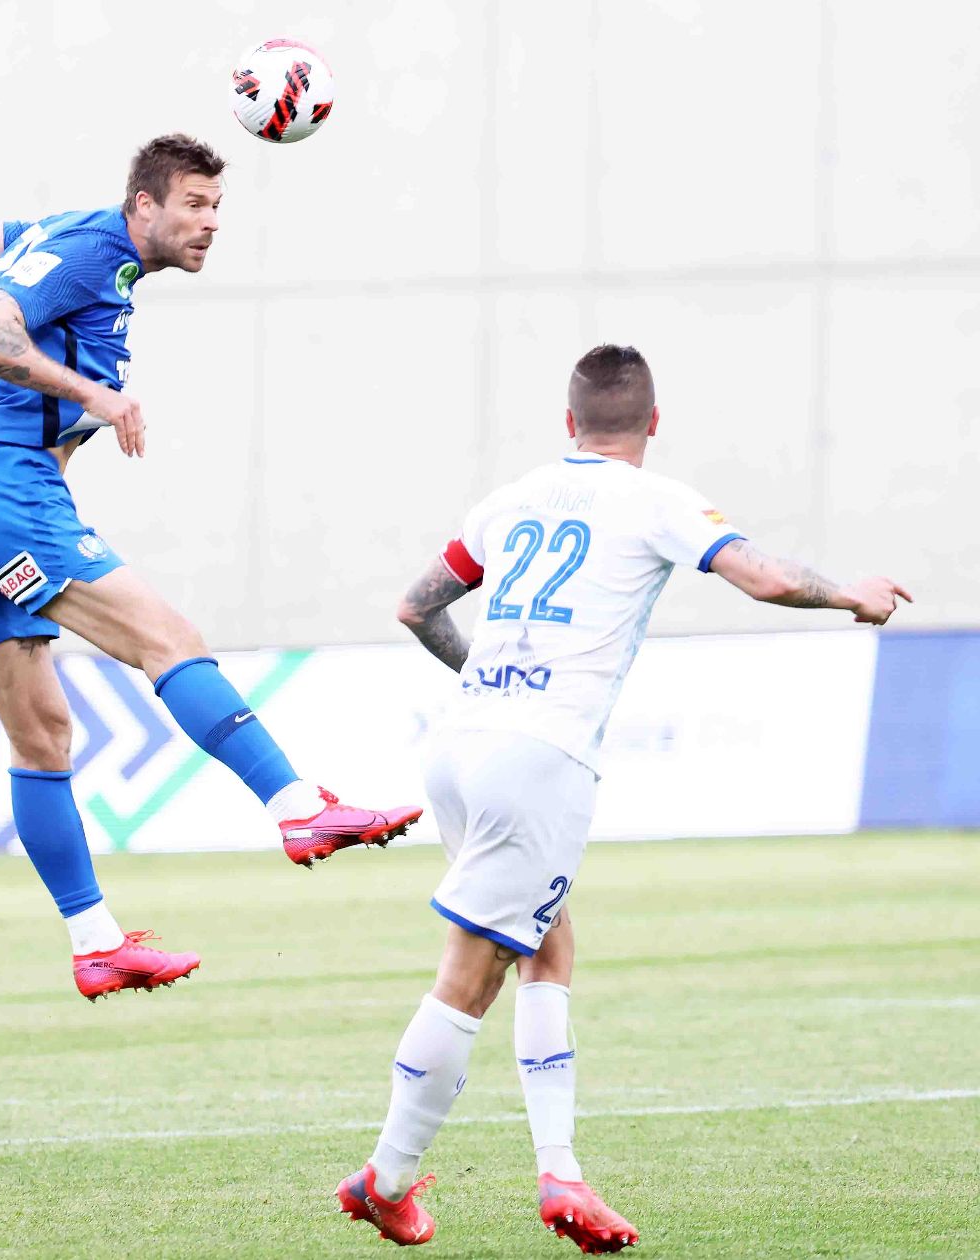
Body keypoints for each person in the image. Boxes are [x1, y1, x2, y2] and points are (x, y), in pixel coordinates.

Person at [335, 344, 911, 1252]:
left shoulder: (512, 498)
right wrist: (852, 594)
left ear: (569, 423)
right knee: (472, 972)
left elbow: (416, 607)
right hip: (539, 759)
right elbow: (763, 574)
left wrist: (491, 681)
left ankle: (559, 1170)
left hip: (458, 742)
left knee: (546, 941)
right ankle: (387, 1177)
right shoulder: (657, 499)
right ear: (653, 422)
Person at [0, 133, 421, 1002]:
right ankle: (298, 807)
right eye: (194, 204)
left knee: (42, 738)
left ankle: (96, 944)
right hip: (6, 490)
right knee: (169, 641)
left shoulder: (56, 235)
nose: (210, 222)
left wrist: (12, 377)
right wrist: (91, 395)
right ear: (142, 205)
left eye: (217, 206)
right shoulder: (87, 249)